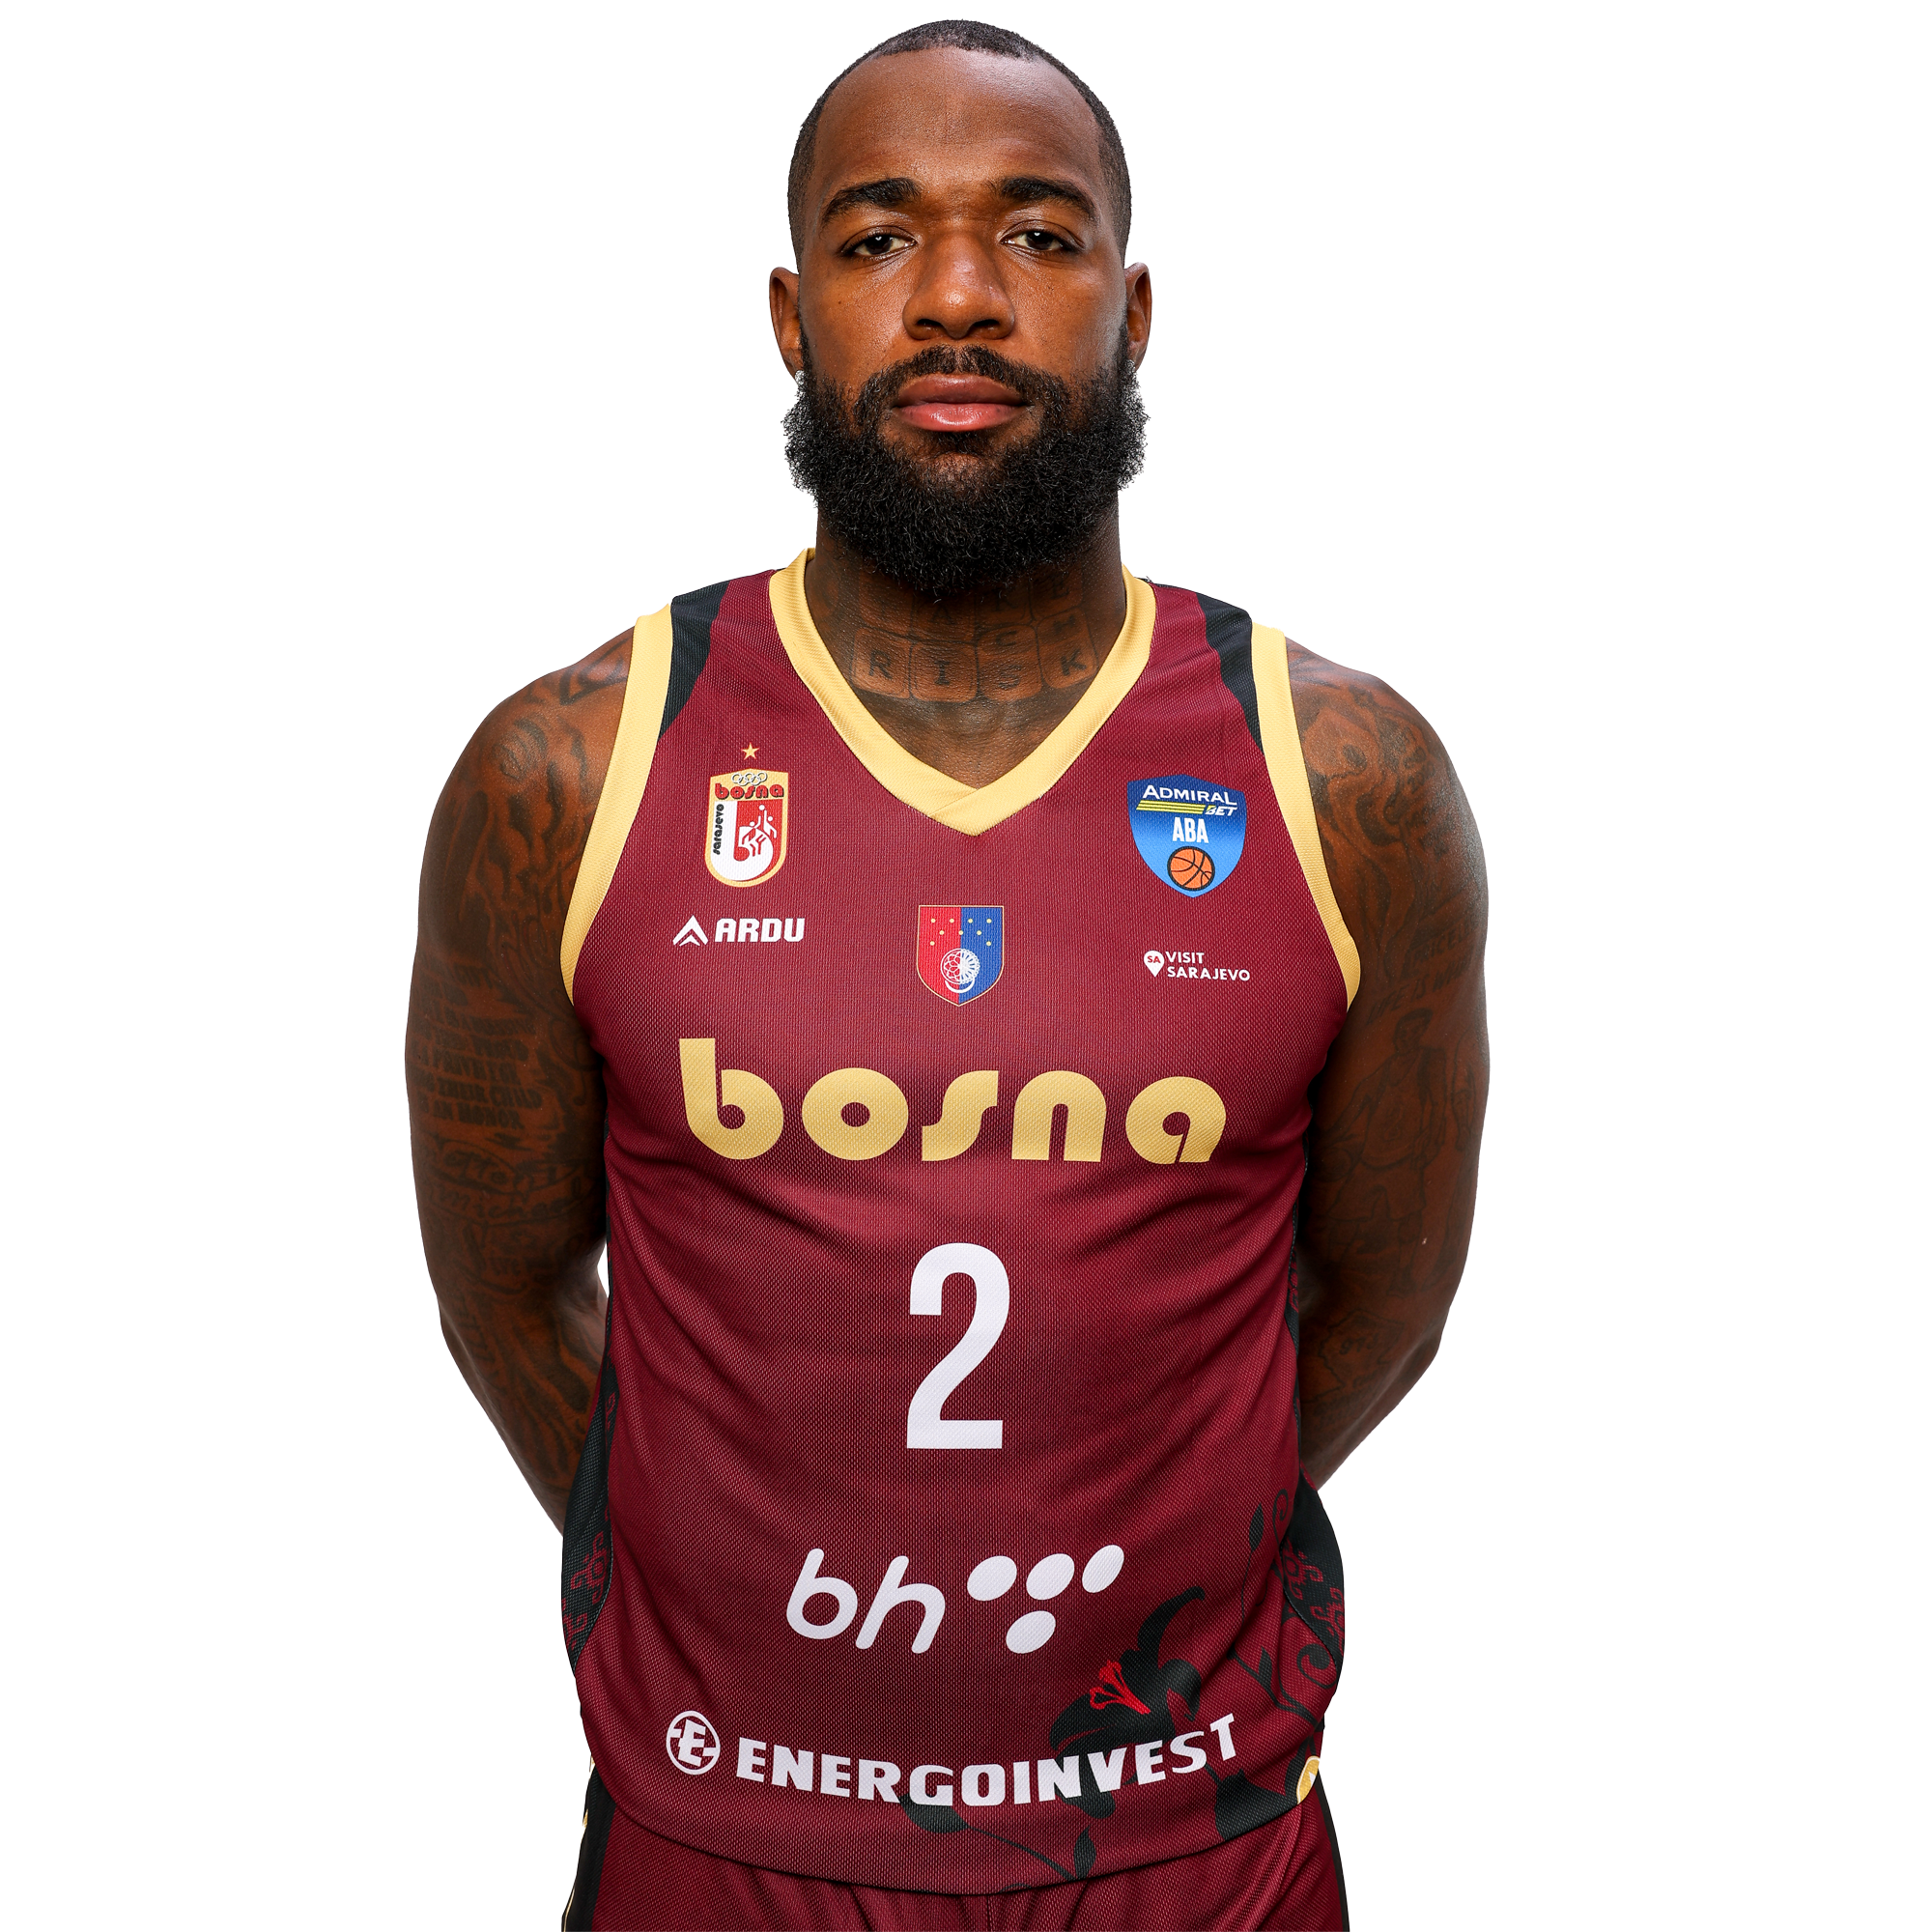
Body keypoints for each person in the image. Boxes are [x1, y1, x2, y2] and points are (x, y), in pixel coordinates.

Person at [407, 20, 1487, 1930]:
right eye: (880, 237)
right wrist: (736, 1566)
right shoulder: (568, 771)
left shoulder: (1346, 781)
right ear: (790, 315)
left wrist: (1149, 1518)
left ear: (1133, 312)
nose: (960, 296)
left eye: (1040, 236)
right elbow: (507, 1288)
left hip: (1186, 1839)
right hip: (729, 1827)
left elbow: (1380, 1302)